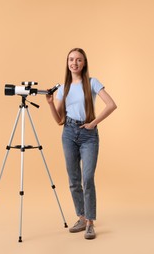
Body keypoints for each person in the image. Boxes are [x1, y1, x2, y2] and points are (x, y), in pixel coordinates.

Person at [46, 48, 117, 239]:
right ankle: (81, 217)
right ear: (67, 63)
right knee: (74, 180)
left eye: (78, 60)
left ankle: (90, 223)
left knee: (87, 178)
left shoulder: (92, 83)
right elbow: (59, 120)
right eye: (71, 59)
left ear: (84, 63)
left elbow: (111, 104)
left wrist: (93, 123)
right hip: (68, 133)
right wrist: (51, 103)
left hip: (88, 136)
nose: (74, 63)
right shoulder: (63, 88)